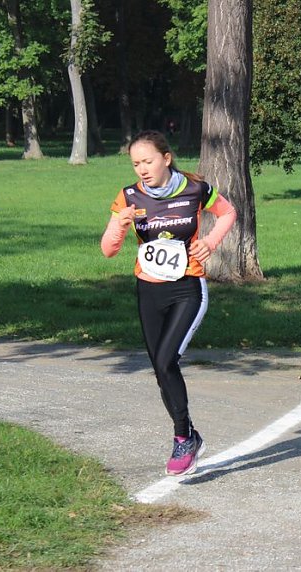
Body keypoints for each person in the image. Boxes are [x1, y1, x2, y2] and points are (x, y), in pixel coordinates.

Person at [100, 130, 237, 475]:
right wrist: (120, 225)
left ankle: (182, 438)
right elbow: (108, 250)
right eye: (135, 164)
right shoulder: (129, 196)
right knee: (162, 369)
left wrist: (210, 241)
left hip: (187, 288)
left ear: (166, 158)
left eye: (147, 161)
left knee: (165, 360)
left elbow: (228, 213)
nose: (142, 169)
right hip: (148, 291)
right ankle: (189, 435)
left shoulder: (195, 190)